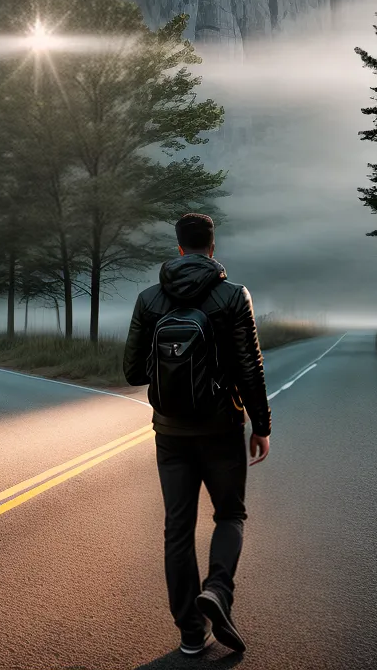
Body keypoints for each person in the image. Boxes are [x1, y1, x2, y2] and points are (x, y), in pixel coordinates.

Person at [123, 212, 271, 658]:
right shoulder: (231, 296)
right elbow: (249, 367)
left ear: (179, 247)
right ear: (212, 246)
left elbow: (131, 372)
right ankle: (218, 591)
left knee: (177, 530)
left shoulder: (149, 298)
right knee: (229, 516)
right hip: (221, 426)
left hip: (169, 432)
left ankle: (191, 633)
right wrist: (260, 425)